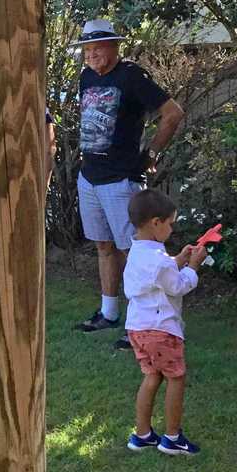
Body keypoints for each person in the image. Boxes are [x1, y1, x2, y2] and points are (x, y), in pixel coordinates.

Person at [71, 19, 184, 353]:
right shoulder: (86, 77)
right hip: (89, 176)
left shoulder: (131, 76)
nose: (91, 55)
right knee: (104, 246)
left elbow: (173, 113)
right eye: (87, 50)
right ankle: (108, 313)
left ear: (114, 47)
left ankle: (141, 321)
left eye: (97, 48)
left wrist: (151, 153)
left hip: (121, 179)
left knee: (134, 253)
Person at [123, 189, 207, 456]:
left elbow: (158, 275)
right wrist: (192, 266)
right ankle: (172, 438)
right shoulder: (159, 262)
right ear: (155, 223)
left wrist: (178, 259)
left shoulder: (136, 253)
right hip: (160, 331)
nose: (172, 229)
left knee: (151, 376)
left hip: (137, 329)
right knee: (176, 378)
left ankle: (142, 435)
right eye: (170, 223)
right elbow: (178, 286)